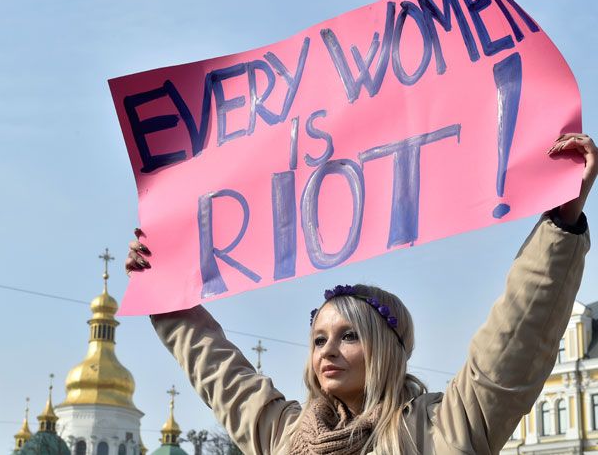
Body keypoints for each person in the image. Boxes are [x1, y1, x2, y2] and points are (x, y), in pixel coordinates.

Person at [126, 134, 597, 454]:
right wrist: (164, 289)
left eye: (348, 334)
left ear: (387, 348)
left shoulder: (441, 428)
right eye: (318, 339)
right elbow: (218, 371)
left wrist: (560, 223)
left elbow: (515, 337)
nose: (328, 349)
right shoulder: (285, 435)